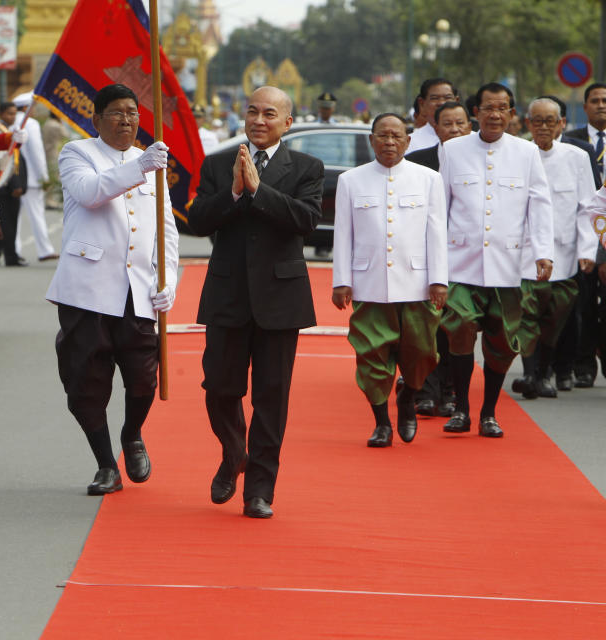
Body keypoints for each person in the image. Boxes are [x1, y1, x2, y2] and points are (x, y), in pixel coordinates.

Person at [186, 86, 324, 519]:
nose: (258, 120)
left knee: (271, 398)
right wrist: (231, 193)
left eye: (269, 113)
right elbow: (198, 220)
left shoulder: (306, 167)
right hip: (227, 294)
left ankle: (260, 490)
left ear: (287, 122)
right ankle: (233, 453)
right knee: (219, 388)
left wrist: (259, 191)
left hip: (280, 299)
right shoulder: (217, 164)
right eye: (252, 112)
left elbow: (306, 221)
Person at [46, 83, 178, 496]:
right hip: (88, 288)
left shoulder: (148, 159)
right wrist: (140, 168)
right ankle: (106, 463)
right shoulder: (77, 153)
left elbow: (166, 229)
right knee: (87, 380)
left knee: (143, 378)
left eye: (133, 113)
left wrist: (168, 278)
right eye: (117, 113)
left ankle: (132, 434)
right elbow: (89, 193)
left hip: (137, 288)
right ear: (96, 119)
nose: (127, 120)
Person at [439, 82, 554, 438]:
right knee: (457, 327)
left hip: (509, 264)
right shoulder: (453, 149)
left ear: (511, 114)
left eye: (502, 108)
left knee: (503, 342)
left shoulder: (526, 152)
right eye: (488, 107)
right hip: (461, 261)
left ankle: (488, 411)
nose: (495, 114)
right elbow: (440, 205)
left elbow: (539, 204)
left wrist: (543, 252)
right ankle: (461, 408)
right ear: (476, 112)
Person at [332, 113, 447, 447]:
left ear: (408, 141)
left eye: (397, 136)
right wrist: (342, 280)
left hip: (417, 282)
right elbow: (344, 234)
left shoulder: (428, 178)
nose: (389, 142)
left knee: (423, 353)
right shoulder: (351, 180)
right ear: (371, 140)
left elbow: (436, 232)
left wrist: (439, 279)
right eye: (382, 136)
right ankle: (381, 422)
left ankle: (408, 398)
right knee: (372, 356)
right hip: (370, 282)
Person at [509, 98, 597, 399]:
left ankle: (544, 371)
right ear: (527, 123)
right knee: (526, 315)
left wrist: (588, 249)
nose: (543, 126)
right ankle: (532, 374)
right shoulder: (516, 154)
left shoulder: (576, 156)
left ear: (562, 123)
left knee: (554, 319)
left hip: (565, 254)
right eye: (537, 120)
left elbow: (588, 207)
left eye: (550, 121)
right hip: (524, 255)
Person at [404, 100, 471, 417]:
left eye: (461, 123)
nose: (455, 129)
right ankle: (425, 391)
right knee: (425, 327)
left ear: (469, 126)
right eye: (448, 124)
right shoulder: (418, 161)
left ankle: (449, 391)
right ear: (436, 127)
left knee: (453, 326)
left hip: (461, 259)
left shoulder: (477, 161)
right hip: (422, 254)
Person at [562, 82, 606, 388]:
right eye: (596, 101)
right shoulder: (571, 142)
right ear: (585, 106)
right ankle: (583, 363)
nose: (602, 105)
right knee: (584, 301)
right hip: (584, 228)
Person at [11, 92, 58, 262]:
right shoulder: (30, 124)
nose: (35, 111)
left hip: (13, 178)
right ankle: (44, 249)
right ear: (26, 107)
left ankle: (14, 250)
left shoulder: (10, 122)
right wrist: (44, 178)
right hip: (31, 178)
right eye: (33, 107)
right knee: (37, 214)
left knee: (14, 216)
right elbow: (37, 154)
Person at [0, 101, 29, 266]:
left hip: (10, 187)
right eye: (9, 113)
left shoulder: (12, 131)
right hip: (3, 188)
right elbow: (5, 162)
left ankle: (4, 256)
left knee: (8, 224)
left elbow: (17, 161)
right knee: (4, 225)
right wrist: (15, 185)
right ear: (1, 114)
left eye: (14, 113)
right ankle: (5, 257)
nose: (13, 117)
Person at [407, 78, 459, 153]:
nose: (441, 103)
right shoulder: (410, 143)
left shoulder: (472, 138)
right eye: (435, 98)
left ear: (457, 101)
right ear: (422, 104)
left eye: (447, 97)